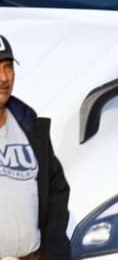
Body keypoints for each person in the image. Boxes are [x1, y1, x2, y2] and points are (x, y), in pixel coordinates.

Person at [0, 34, 71, 260]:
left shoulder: (30, 127)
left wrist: (54, 253)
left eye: (8, 67)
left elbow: (57, 194)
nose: (3, 78)